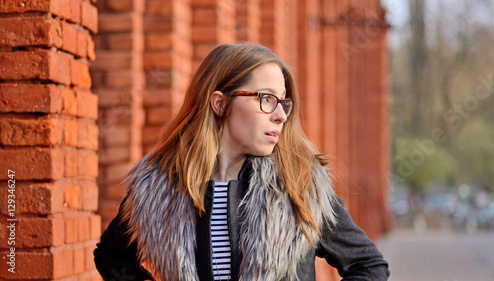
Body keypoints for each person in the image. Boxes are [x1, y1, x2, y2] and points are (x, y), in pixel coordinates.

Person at [94, 43, 390, 281]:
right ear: (220, 103)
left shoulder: (299, 184)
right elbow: (110, 256)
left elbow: (369, 266)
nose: (281, 115)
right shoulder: (160, 188)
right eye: (266, 99)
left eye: (283, 102)